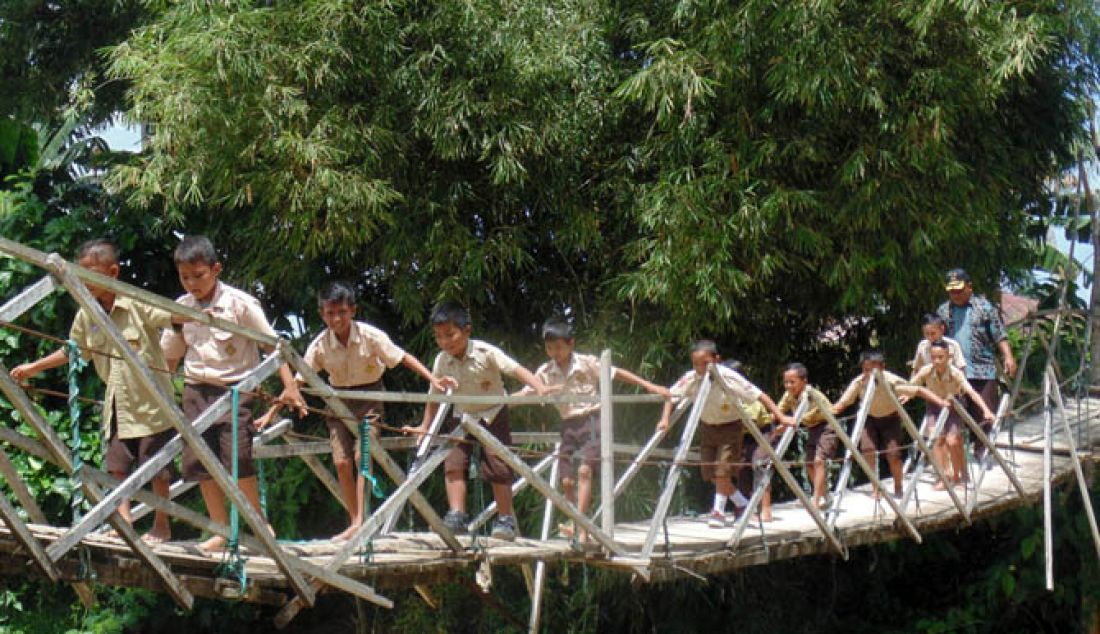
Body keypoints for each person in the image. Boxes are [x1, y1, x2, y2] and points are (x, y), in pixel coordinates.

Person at [11, 239, 186, 543]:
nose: (86, 282)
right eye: (82, 275)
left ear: (113, 272)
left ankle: (162, 525)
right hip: (117, 403)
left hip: (153, 404)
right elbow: (74, 351)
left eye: (92, 274)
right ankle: (125, 523)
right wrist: (34, 367)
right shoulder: (87, 313)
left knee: (158, 468)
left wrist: (200, 310)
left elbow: (171, 315)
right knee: (116, 467)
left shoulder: (134, 303)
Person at [257, 281, 443, 541]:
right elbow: (296, 382)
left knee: (361, 456)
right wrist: (269, 414)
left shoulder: (370, 336)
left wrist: (432, 379)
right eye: (330, 313)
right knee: (341, 461)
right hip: (337, 402)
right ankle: (354, 519)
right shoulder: (321, 345)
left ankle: (362, 519)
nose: (337, 319)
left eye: (342, 312)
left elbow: (401, 357)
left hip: (370, 399)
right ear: (322, 315)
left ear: (352, 311)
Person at [160, 235, 306, 552]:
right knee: (200, 461)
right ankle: (221, 528)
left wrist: (290, 385)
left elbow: (274, 346)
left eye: (198, 276)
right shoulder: (180, 309)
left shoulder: (240, 304)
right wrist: (162, 394)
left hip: (235, 389)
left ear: (216, 269)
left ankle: (258, 523)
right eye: (185, 277)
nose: (192, 284)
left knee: (236, 455)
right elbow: (170, 357)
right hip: (196, 391)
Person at [401, 302, 548, 542]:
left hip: (492, 413)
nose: (446, 342)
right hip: (461, 416)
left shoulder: (485, 352)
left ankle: (505, 519)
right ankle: (457, 514)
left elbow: (515, 369)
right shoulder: (441, 360)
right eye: (439, 337)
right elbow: (434, 395)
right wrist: (425, 427)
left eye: (450, 334)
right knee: (453, 463)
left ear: (466, 330)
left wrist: (539, 386)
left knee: (498, 464)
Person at [526, 318, 669, 540]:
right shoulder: (545, 371)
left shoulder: (586, 363)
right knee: (566, 481)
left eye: (559, 347)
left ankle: (581, 528)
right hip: (568, 424)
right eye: (549, 348)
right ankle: (577, 521)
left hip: (592, 420)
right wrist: (500, 401)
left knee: (585, 471)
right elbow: (528, 391)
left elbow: (617, 373)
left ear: (571, 344)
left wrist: (649, 386)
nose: (554, 352)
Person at [656, 340, 793, 529]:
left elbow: (759, 395)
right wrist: (665, 420)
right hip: (708, 427)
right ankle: (741, 503)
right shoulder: (692, 378)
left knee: (722, 470)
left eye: (705, 363)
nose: (700, 368)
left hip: (730, 427)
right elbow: (670, 395)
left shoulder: (728, 376)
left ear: (716, 360)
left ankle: (718, 512)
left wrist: (781, 417)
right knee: (710, 473)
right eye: (696, 364)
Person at [832, 350, 946, 499]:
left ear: (882, 367)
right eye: (866, 370)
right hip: (868, 419)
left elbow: (918, 390)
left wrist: (941, 402)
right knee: (868, 450)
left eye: (873, 370)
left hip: (890, 418)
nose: (869, 374)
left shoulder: (891, 381)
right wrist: (823, 413)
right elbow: (841, 404)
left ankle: (898, 486)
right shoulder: (859, 383)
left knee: (893, 454)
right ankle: (876, 488)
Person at [936, 268, 1016, 434]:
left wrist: (1008, 356)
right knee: (954, 421)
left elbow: (999, 334)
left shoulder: (984, 308)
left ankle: (982, 455)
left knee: (983, 419)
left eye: (959, 289)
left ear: (969, 287)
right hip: (954, 373)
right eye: (951, 291)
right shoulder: (943, 311)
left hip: (982, 372)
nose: (955, 294)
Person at [910, 341, 995, 489]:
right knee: (936, 440)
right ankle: (944, 476)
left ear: (949, 357)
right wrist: (906, 395)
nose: (937, 361)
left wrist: (986, 410)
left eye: (940, 357)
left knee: (953, 441)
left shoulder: (955, 373)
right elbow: (911, 385)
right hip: (934, 405)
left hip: (954, 405)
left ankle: (959, 476)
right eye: (934, 357)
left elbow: (971, 392)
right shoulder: (926, 371)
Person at [776, 363, 836, 510]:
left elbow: (809, 414)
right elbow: (779, 410)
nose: (789, 386)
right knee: (809, 463)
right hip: (812, 428)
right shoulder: (788, 395)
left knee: (819, 461)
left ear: (804, 381)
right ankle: (824, 495)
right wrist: (772, 421)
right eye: (786, 382)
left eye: (792, 382)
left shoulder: (811, 395)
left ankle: (815, 498)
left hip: (827, 426)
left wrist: (790, 423)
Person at [910, 313, 965, 377]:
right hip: (930, 384)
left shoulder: (953, 345)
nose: (930, 337)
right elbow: (916, 370)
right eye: (927, 334)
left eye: (933, 333)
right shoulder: (922, 346)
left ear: (942, 329)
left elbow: (961, 369)